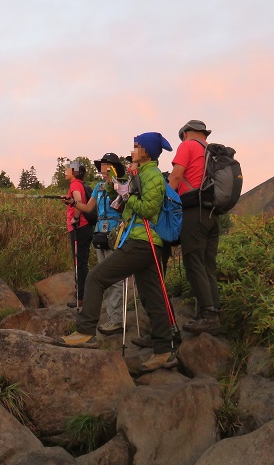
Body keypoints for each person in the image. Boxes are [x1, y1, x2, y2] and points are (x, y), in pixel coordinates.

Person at [61, 133, 178, 372]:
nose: (133, 150)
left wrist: (126, 195)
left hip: (142, 241)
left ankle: (85, 332)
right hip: (142, 241)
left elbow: (148, 209)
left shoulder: (153, 176)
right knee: (151, 297)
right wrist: (117, 189)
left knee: (96, 277)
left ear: (146, 151)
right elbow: (125, 204)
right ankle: (164, 351)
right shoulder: (140, 174)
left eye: (137, 147)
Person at [167, 120, 222, 335]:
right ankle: (213, 313)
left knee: (194, 263)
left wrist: (164, 201)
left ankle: (207, 315)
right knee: (208, 265)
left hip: (194, 212)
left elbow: (176, 176)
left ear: (187, 133)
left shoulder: (187, 145)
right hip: (212, 213)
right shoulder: (212, 152)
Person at [64, 153, 127, 335]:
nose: (103, 168)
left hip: (116, 234)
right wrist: (73, 202)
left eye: (106, 165)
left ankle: (116, 320)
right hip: (100, 234)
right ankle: (111, 317)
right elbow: (88, 208)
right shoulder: (99, 187)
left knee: (115, 277)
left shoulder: (121, 186)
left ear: (114, 167)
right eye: (102, 165)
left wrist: (115, 189)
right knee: (103, 275)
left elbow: (125, 208)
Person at [64, 160, 92, 308]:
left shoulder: (75, 184)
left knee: (79, 263)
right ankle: (82, 294)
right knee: (81, 261)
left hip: (79, 228)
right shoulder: (80, 184)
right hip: (84, 228)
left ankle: (80, 297)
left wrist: (75, 218)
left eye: (68, 169)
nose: (65, 171)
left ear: (74, 172)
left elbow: (79, 201)